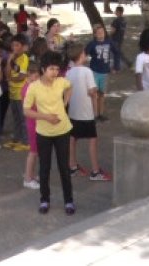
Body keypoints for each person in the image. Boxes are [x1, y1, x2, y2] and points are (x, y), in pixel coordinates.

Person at [23, 51, 75, 215]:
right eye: (51, 69)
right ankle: (44, 200)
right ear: (43, 69)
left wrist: (65, 103)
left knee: (64, 168)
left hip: (63, 130)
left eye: (57, 69)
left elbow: (70, 87)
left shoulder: (61, 81)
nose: (55, 72)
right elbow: (26, 110)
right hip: (43, 133)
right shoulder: (34, 87)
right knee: (44, 168)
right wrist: (45, 117)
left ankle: (69, 201)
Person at [65, 43, 110, 181]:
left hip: (73, 112)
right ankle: (95, 171)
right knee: (92, 139)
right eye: (84, 53)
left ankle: (72, 166)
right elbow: (92, 92)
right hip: (86, 113)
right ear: (81, 55)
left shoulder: (69, 72)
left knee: (72, 138)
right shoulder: (87, 71)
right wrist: (95, 112)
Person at [85, 24, 120, 122]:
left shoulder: (109, 42)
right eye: (98, 33)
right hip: (94, 72)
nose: (101, 34)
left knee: (102, 94)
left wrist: (116, 67)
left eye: (102, 32)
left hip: (105, 72)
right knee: (94, 94)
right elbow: (84, 54)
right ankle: (94, 115)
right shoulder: (92, 44)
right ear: (95, 34)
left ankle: (101, 114)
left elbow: (117, 52)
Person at [5, 34, 30, 151]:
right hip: (13, 93)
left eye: (17, 45)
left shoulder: (24, 58)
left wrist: (10, 78)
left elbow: (21, 76)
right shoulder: (12, 58)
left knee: (23, 118)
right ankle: (17, 139)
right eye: (13, 45)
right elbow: (7, 73)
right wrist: (9, 60)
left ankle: (26, 141)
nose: (14, 47)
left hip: (21, 93)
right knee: (15, 118)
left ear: (23, 47)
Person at [21, 64, 42, 189]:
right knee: (33, 152)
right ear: (30, 74)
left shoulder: (30, 86)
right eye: (37, 76)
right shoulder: (28, 89)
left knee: (35, 151)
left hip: (35, 122)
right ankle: (28, 179)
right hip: (33, 123)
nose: (38, 79)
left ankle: (31, 175)